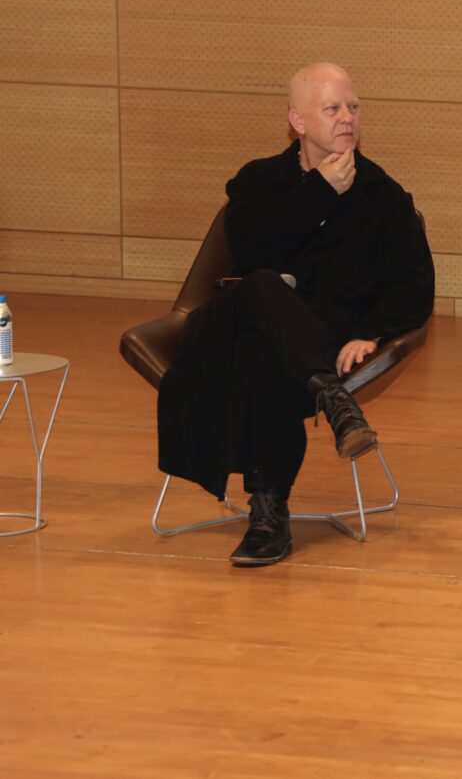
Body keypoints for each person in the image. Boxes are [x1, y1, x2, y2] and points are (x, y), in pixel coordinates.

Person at [157, 62, 435, 567]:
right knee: (262, 285)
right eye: (332, 109)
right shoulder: (257, 180)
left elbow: (416, 285)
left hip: (312, 340)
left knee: (268, 355)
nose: (347, 118)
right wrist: (319, 193)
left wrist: (372, 332)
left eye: (353, 107)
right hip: (231, 323)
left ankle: (268, 516)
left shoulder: (383, 196)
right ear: (298, 122)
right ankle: (331, 399)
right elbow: (250, 248)